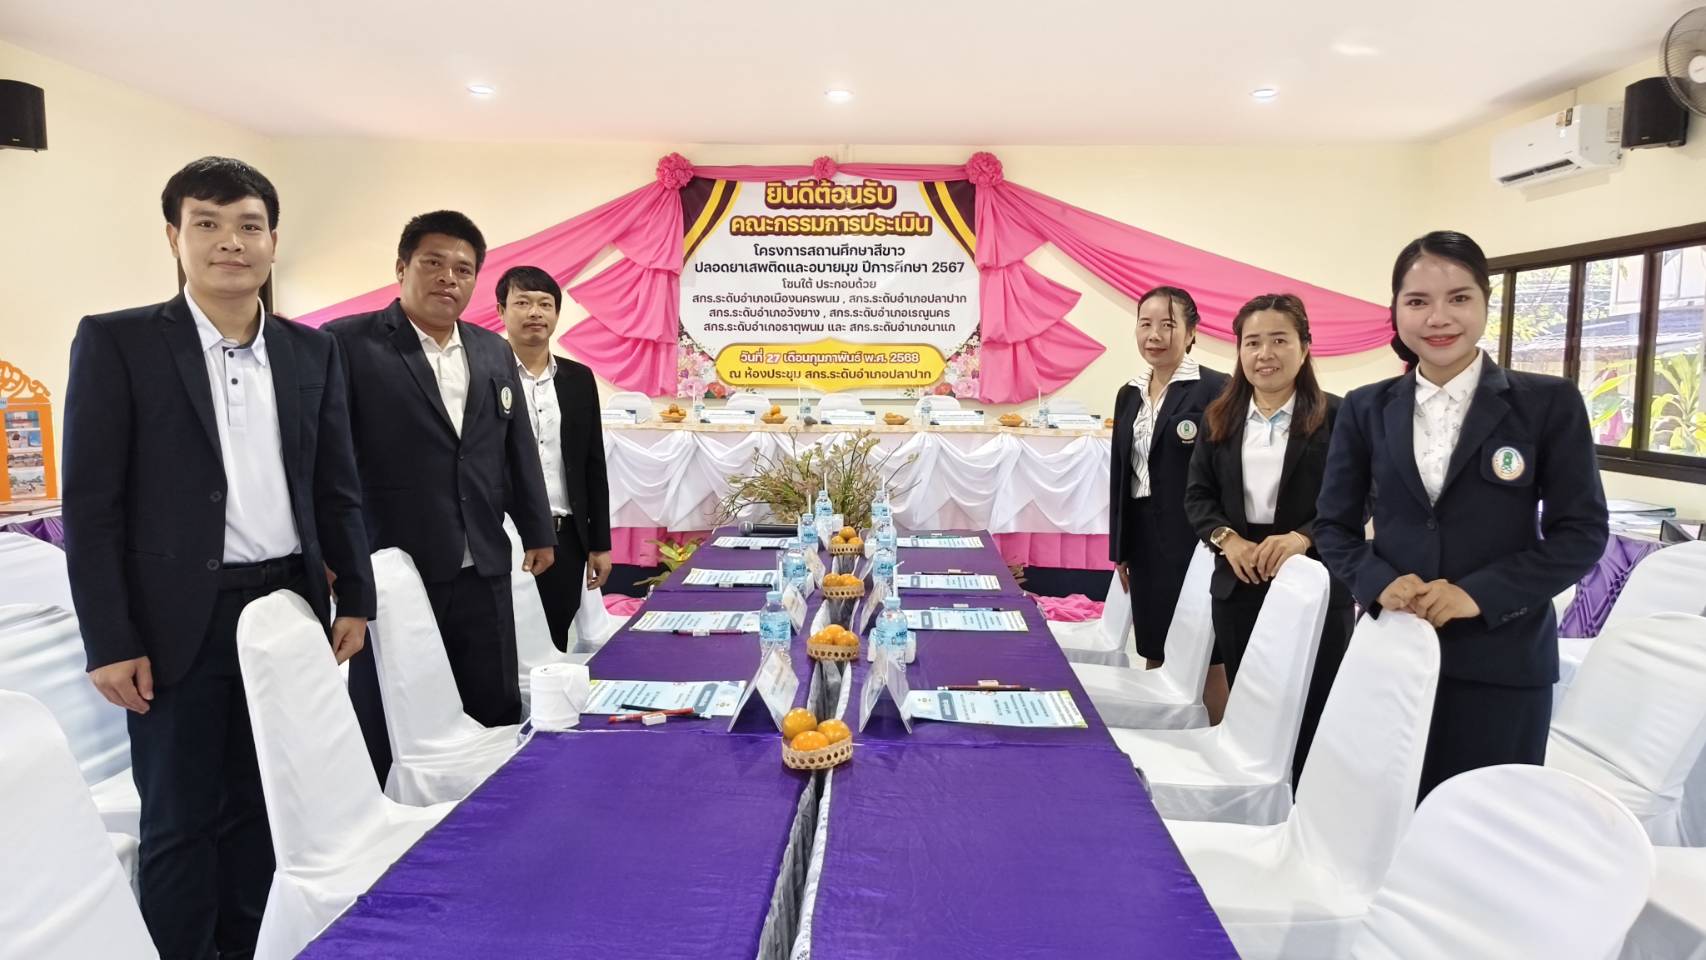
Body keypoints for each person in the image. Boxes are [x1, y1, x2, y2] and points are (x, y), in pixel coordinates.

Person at [62, 156, 374, 959]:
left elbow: (336, 484)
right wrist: (109, 639)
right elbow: (91, 508)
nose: (230, 242)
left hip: (287, 606)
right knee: (179, 817)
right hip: (174, 623)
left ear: (273, 241)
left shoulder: (311, 352)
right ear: (175, 236)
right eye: (207, 223)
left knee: (266, 804)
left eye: (248, 226)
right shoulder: (119, 342)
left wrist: (356, 596)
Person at [1314, 230, 1608, 799]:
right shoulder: (1366, 408)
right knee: (1383, 817)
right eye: (1417, 301)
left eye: (1459, 298)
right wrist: (1377, 581)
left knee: (1487, 823)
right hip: (1393, 655)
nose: (1438, 318)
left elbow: (1581, 533)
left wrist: (1478, 594)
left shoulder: (1547, 403)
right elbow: (1333, 525)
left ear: (1485, 303)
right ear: (1395, 310)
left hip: (1502, 662)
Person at [325, 211, 555, 777]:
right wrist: (336, 554)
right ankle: (389, 800)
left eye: (463, 269)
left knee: (492, 695)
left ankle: (496, 802)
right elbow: (327, 460)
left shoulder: (491, 349)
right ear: (402, 268)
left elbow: (516, 446)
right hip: (396, 559)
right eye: (433, 263)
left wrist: (537, 529)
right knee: (394, 706)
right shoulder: (346, 343)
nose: (448, 278)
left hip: (484, 557)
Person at [1183, 294, 1352, 786]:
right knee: (1253, 706)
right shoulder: (1220, 416)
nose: (1265, 354)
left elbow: (1360, 498)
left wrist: (1302, 538)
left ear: (1305, 347)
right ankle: (1256, 800)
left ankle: (1306, 803)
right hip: (1240, 576)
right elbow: (1197, 496)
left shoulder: (1338, 416)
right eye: (1252, 342)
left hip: (1315, 577)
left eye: (1279, 340)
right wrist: (1227, 539)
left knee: (1313, 705)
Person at [1108, 287, 1231, 716]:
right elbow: (1121, 473)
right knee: (1154, 643)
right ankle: (1162, 729)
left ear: (1192, 332)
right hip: (1144, 539)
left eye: (1167, 324)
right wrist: (1121, 548)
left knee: (1206, 654)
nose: (1154, 335)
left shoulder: (1215, 388)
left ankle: (1218, 733)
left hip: (1194, 538)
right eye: (1145, 324)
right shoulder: (1129, 393)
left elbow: (1225, 472)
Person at [496, 265, 613, 649]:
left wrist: (600, 544)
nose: (535, 313)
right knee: (502, 646)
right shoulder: (484, 375)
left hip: (565, 539)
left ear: (557, 313)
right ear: (501, 311)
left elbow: (593, 465)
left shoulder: (578, 379)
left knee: (554, 642)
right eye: (523, 303)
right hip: (504, 538)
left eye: (545, 304)